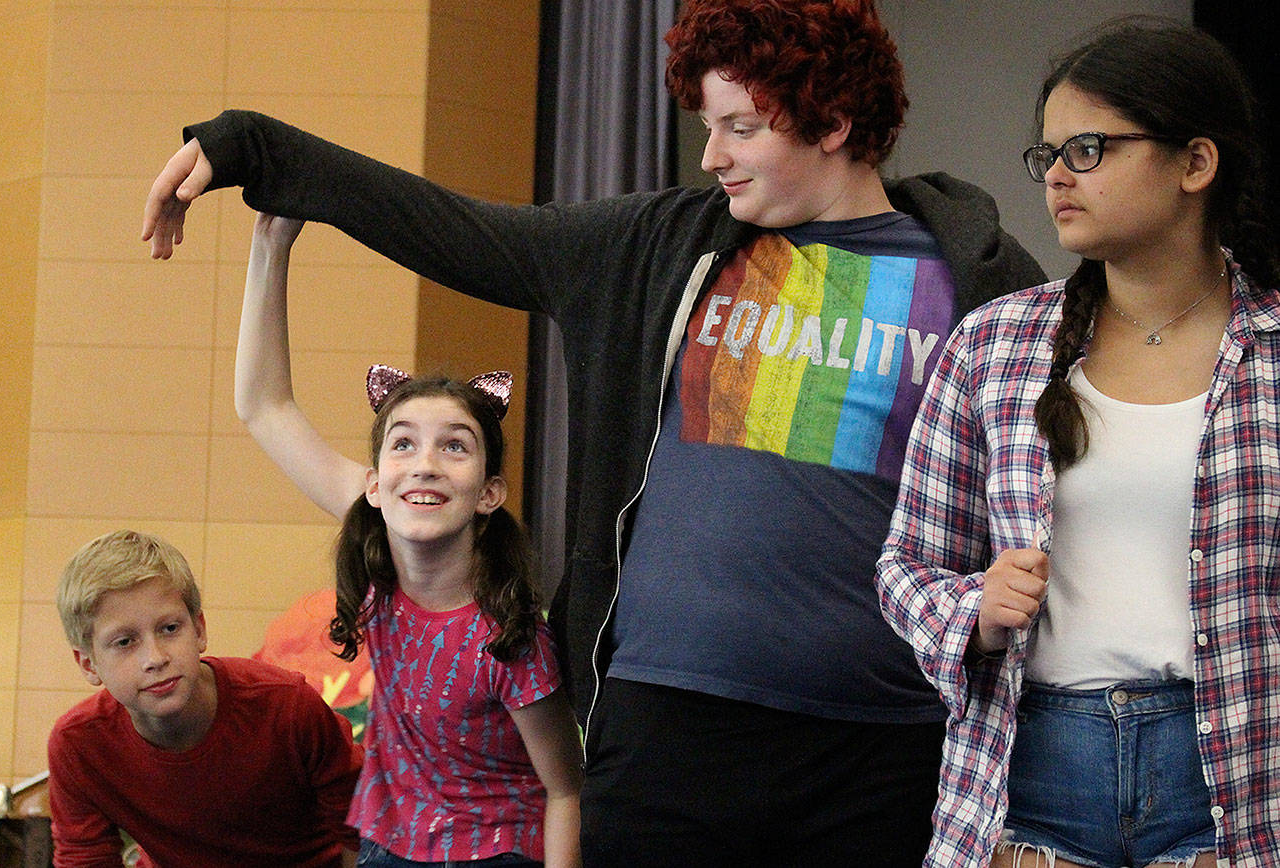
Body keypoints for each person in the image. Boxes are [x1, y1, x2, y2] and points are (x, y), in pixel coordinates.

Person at [144, 1, 1044, 863]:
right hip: (666, 732)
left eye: (741, 127)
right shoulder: (659, 247)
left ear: (834, 120)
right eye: (707, 123)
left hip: (879, 750)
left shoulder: (979, 283)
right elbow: (453, 229)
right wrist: (255, 149)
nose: (713, 154)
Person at [875, 19, 1280, 868]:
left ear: (1195, 163)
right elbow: (906, 565)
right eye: (1049, 153)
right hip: (1029, 782)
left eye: (1089, 148)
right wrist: (972, 613)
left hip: (1238, 782)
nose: (1057, 175)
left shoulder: (1272, 351)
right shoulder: (995, 343)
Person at [236, 210, 584, 868]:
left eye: (455, 447)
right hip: (388, 846)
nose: (424, 463)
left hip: (497, 851)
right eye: (404, 445)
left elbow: (566, 789)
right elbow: (264, 405)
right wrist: (270, 243)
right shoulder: (378, 544)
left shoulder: (511, 636)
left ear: (489, 492)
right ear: (374, 483)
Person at [48, 529, 363, 868]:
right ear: (88, 663)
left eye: (169, 629)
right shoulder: (78, 744)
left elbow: (364, 833)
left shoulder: (287, 706)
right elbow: (85, 860)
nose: (154, 658)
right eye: (125, 642)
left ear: (199, 630)